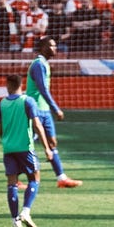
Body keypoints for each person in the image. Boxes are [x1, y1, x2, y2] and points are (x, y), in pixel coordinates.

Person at [25, 38, 83, 189]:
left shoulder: (44, 63)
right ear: (43, 47)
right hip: (35, 109)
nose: (55, 48)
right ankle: (15, 177)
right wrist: (56, 108)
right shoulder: (38, 64)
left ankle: (61, 178)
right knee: (27, 143)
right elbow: (43, 89)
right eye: (52, 45)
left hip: (44, 110)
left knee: (52, 143)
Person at [0, 73, 50, 227]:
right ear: (22, 84)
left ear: (8, 85)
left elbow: (0, 128)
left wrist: (6, 141)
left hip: (8, 149)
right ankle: (26, 212)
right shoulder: (27, 101)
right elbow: (37, 125)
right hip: (25, 148)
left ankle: (15, 220)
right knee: (34, 178)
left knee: (12, 183)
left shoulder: (2, 103)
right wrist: (47, 147)